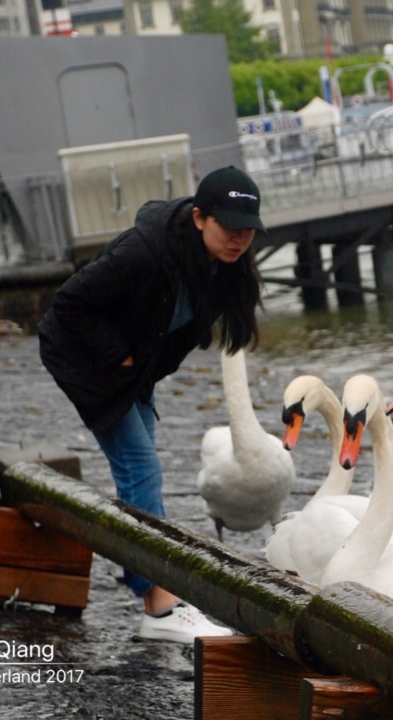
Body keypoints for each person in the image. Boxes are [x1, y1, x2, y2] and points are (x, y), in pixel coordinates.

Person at [38, 166, 264, 643]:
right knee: (142, 467)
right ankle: (158, 607)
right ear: (200, 217)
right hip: (89, 361)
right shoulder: (144, 252)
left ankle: (150, 584)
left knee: (141, 469)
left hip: (133, 368)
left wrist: (140, 366)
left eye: (248, 230)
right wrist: (119, 359)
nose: (239, 240)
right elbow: (68, 306)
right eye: (229, 228)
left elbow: (174, 326)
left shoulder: (222, 265)